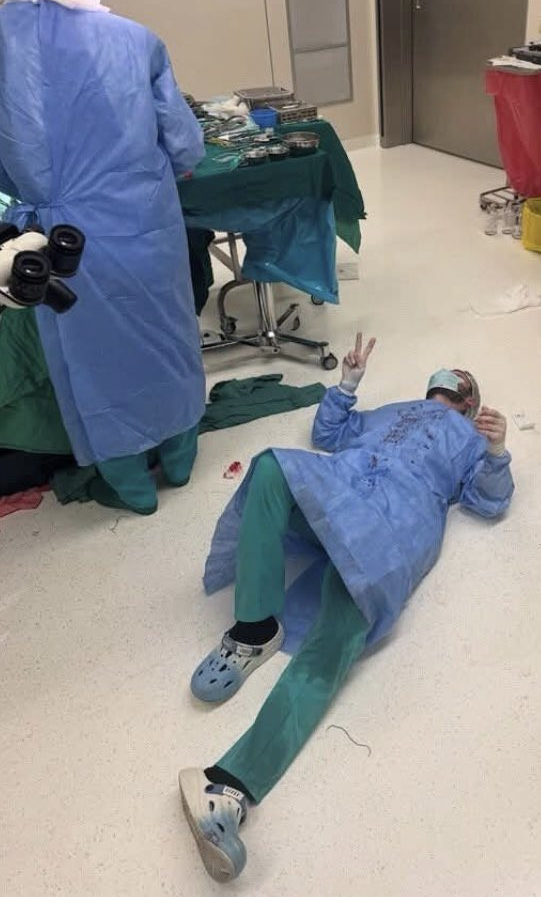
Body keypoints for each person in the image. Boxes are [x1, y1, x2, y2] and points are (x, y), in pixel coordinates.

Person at [179, 333, 514, 882]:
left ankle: (231, 787)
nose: (447, 384)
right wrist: (347, 386)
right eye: (442, 379)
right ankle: (254, 628)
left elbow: (489, 501)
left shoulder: (470, 436)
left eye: (459, 385)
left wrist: (497, 451)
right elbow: (329, 435)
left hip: (400, 517)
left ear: (470, 403)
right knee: (272, 467)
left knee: (340, 628)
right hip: (342, 485)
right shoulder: (394, 412)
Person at [0, 0, 205, 515]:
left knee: (92, 361)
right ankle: (181, 461)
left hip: (60, 240)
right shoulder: (135, 39)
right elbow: (185, 146)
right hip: (144, 222)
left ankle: (132, 487)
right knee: (166, 340)